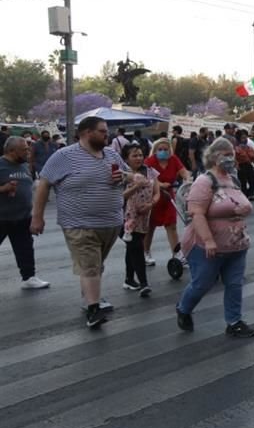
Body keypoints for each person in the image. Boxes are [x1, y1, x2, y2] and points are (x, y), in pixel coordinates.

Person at [31, 117, 126, 329]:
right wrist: (37, 216)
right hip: (79, 223)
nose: (106, 135)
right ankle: (94, 309)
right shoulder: (63, 156)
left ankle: (89, 298)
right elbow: (44, 184)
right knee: (90, 265)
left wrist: (126, 178)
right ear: (86, 133)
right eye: (102, 131)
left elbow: (128, 175)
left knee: (95, 265)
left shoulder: (111, 154)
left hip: (111, 222)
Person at [175, 137, 254, 338]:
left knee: (235, 284)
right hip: (206, 245)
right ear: (213, 157)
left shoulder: (233, 180)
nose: (230, 158)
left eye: (232, 154)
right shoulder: (204, 181)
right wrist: (209, 240)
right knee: (202, 283)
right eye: (225, 155)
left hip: (236, 245)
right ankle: (184, 308)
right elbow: (197, 213)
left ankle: (234, 322)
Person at [0, 137, 50, 290]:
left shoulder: (23, 166)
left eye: (28, 149)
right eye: (24, 150)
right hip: (2, 218)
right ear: (11, 151)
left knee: (25, 248)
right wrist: (4, 189)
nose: (28, 152)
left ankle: (29, 278)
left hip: (22, 217)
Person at [143, 138, 191, 266]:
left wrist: (187, 179)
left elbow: (183, 171)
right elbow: (146, 177)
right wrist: (159, 184)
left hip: (168, 196)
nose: (163, 152)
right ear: (155, 150)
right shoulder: (150, 161)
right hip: (153, 196)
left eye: (165, 149)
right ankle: (145, 252)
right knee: (150, 227)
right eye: (160, 149)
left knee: (171, 225)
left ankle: (177, 254)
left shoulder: (173, 159)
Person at [120, 143, 158, 296]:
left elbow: (157, 192)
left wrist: (150, 204)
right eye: (134, 155)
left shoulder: (150, 172)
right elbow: (119, 197)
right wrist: (136, 186)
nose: (138, 158)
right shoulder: (122, 174)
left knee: (132, 248)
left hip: (144, 217)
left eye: (140, 155)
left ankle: (129, 279)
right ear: (126, 159)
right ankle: (144, 283)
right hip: (125, 218)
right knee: (136, 247)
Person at [234, 129, 254, 200]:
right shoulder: (236, 148)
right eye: (243, 138)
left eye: (245, 138)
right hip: (241, 167)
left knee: (253, 181)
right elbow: (234, 158)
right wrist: (237, 165)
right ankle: (245, 195)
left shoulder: (248, 147)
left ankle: (250, 194)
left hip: (249, 165)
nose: (245, 139)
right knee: (243, 183)